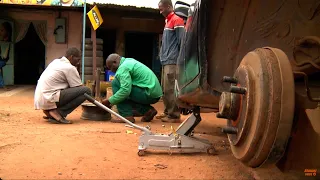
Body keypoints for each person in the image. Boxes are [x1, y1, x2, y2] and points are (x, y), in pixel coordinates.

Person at [34, 47, 91, 124]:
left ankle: (49, 110)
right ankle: (58, 112)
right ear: (71, 57)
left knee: (75, 91)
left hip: (40, 98)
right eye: (78, 59)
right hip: (49, 97)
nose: (78, 63)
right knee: (86, 91)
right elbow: (79, 87)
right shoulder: (70, 68)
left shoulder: (56, 61)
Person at [102, 54, 162, 123]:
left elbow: (125, 91)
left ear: (115, 62)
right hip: (154, 93)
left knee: (116, 83)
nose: (111, 71)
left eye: (110, 67)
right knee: (125, 91)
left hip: (148, 92)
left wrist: (109, 101)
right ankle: (148, 111)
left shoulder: (123, 68)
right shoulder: (129, 61)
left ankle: (126, 116)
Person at [157, 0, 185, 123]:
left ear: (169, 6)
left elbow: (182, 42)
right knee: (164, 88)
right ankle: (168, 112)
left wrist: (179, 60)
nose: (160, 11)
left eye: (162, 8)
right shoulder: (168, 21)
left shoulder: (177, 20)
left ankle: (174, 115)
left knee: (170, 88)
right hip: (166, 60)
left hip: (172, 61)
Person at [0, 22, 12, 89]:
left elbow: (5, 56)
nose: (0, 32)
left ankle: (2, 85)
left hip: (3, 60)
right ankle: (2, 84)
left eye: (2, 30)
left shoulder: (7, 43)